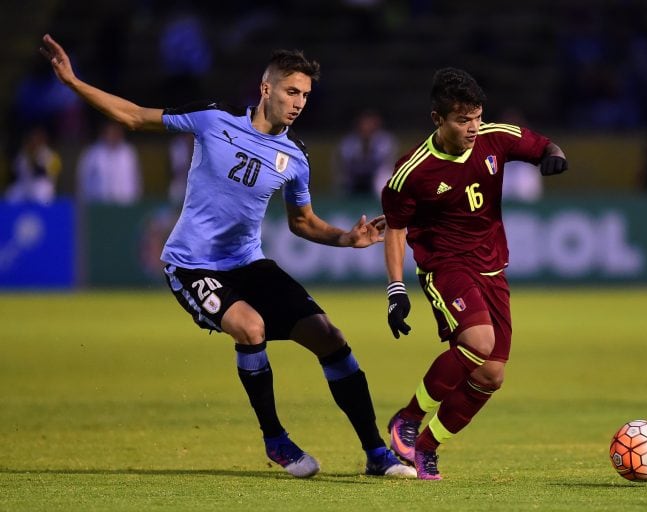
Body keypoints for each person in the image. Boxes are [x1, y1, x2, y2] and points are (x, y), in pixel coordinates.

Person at [40, 33, 415, 479]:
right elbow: (136, 118)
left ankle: (376, 453)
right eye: (291, 91)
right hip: (191, 265)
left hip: (248, 263)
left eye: (305, 95)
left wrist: (346, 240)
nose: (298, 103)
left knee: (330, 336)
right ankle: (276, 439)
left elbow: (302, 222)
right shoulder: (212, 121)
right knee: (250, 327)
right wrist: (72, 82)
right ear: (266, 89)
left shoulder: (295, 156)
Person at [381, 68, 567, 479]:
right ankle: (408, 419)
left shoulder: (494, 137)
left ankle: (427, 446)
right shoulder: (411, 172)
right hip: (445, 265)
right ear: (437, 119)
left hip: (493, 267)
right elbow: (394, 228)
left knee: (491, 373)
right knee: (478, 341)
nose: (473, 127)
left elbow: (541, 144)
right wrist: (396, 289)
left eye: (477, 116)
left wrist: (554, 155)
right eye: (462, 120)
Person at [334, 109, 398, 198]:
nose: (366, 127)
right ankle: (344, 207)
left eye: (369, 123)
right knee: (343, 179)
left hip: (376, 175)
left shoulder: (385, 140)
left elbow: (380, 162)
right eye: (364, 124)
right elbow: (345, 162)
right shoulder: (349, 141)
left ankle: (382, 207)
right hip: (355, 175)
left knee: (384, 177)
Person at [77, 121, 142, 204]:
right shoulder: (92, 153)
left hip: (125, 204)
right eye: (111, 132)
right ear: (104, 133)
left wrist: (136, 201)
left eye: (116, 132)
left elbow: (136, 179)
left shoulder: (129, 153)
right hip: (98, 204)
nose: (114, 135)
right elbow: (82, 180)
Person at [5, 126, 61, 204]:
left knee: (40, 193)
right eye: (32, 139)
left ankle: (43, 215)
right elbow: (15, 173)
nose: (34, 141)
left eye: (37, 138)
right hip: (25, 184)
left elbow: (47, 174)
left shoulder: (50, 155)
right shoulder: (23, 154)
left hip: (42, 184)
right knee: (11, 194)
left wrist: (34, 160)